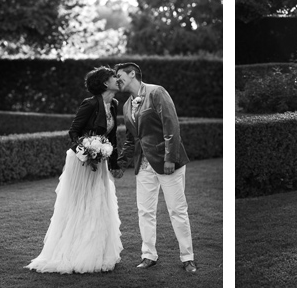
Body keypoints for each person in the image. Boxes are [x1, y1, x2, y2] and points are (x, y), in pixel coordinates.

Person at [25, 66, 123, 273]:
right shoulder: (89, 104)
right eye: (115, 76)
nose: (118, 79)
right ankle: (73, 253)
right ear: (106, 83)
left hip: (101, 162)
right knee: (81, 204)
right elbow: (73, 132)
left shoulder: (113, 104)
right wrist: (85, 152)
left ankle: (98, 252)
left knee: (98, 202)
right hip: (81, 161)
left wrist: (114, 164)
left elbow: (112, 137)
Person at [112, 62, 196, 273]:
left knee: (177, 210)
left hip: (167, 163)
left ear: (132, 74)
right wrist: (121, 164)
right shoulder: (125, 106)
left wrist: (170, 158)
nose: (117, 79)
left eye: (119, 75)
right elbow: (132, 139)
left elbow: (171, 125)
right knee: (145, 211)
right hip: (143, 164)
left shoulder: (157, 92)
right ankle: (148, 255)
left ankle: (187, 258)